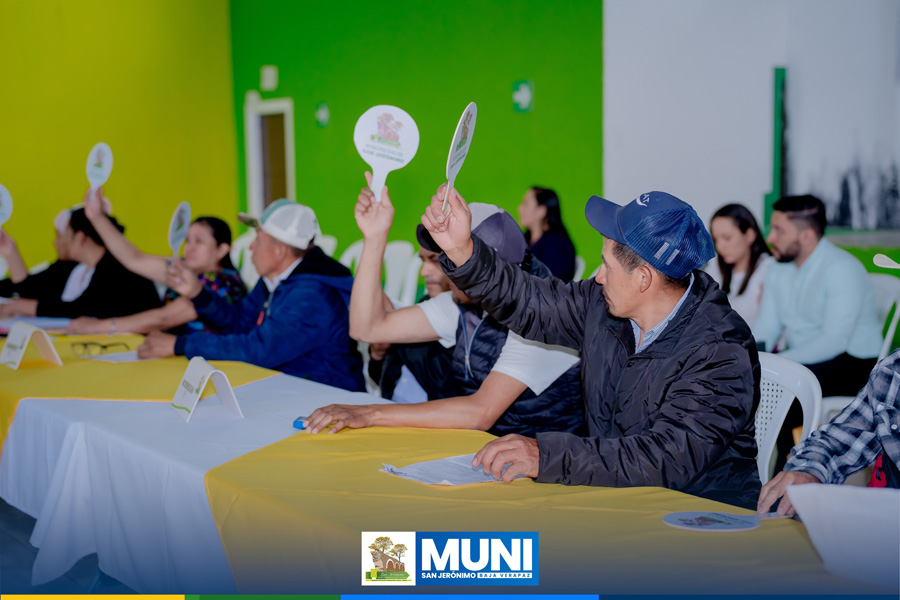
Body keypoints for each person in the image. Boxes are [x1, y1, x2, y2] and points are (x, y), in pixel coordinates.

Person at [422, 187, 761, 509]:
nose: (598, 276)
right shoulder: (604, 306)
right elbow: (531, 301)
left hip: (699, 517)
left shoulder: (720, 349)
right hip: (617, 501)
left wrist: (547, 455)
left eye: (607, 265)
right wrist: (462, 250)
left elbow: (665, 458)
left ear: (643, 279)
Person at [303, 175, 584, 437]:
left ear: (487, 268)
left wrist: (369, 413)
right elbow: (368, 328)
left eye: (454, 259)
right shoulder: (462, 302)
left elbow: (480, 413)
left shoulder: (539, 320)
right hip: (490, 447)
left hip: (548, 458)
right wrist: (375, 236)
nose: (444, 272)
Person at [139, 199, 365, 392]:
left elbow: (257, 350)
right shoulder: (274, 280)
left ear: (280, 250)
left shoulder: (311, 295)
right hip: (291, 389)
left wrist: (181, 345)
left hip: (328, 399)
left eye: (258, 238)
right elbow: (240, 322)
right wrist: (197, 293)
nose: (250, 247)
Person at [66, 188, 245, 335]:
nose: (189, 247)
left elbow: (164, 318)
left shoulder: (223, 282)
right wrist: (96, 217)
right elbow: (134, 259)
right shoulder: (185, 270)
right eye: (187, 240)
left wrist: (98, 326)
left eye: (199, 241)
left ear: (222, 249)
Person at [754, 195, 882, 397]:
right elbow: (767, 326)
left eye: (779, 231)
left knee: (776, 390)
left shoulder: (842, 269)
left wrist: (780, 362)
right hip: (801, 357)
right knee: (744, 379)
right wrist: (752, 356)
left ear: (807, 236)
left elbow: (833, 340)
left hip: (852, 362)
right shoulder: (778, 267)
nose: (770, 238)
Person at [758, 346, 900, 516]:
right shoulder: (894, 367)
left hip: (855, 359)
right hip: (883, 516)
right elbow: (845, 435)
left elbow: (833, 340)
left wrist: (782, 357)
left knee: (793, 409)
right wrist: (808, 471)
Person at [0, 207, 162, 319]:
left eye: (63, 234)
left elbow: (82, 309)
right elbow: (31, 291)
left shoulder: (116, 269)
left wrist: (18, 306)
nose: (56, 242)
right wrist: (10, 251)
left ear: (80, 237)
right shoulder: (74, 267)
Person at [366, 244, 459, 403]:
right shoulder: (425, 303)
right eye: (423, 261)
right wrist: (378, 353)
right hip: (391, 404)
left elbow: (446, 390)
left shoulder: (469, 320)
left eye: (436, 260)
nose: (424, 272)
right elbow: (380, 377)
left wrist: (393, 328)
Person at [706, 203, 773, 327]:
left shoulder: (768, 269)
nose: (720, 246)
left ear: (749, 235)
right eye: (716, 239)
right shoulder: (715, 266)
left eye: (727, 238)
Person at [518, 186, 577, 281]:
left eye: (526, 204)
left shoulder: (558, 246)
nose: (520, 208)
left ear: (541, 211)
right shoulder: (524, 240)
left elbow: (551, 282)